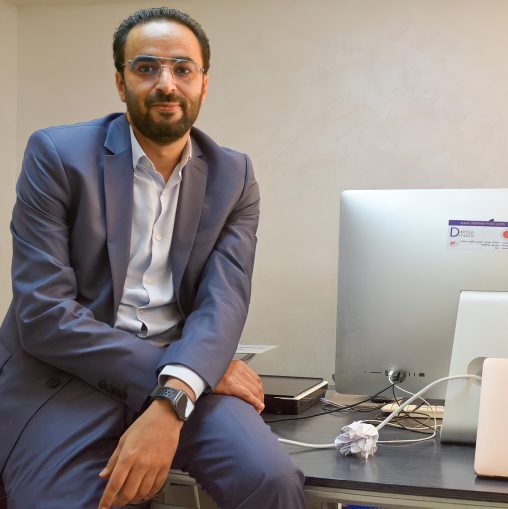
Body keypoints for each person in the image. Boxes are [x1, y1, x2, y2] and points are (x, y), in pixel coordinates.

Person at [0, 7, 305, 509]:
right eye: (146, 68)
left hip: (183, 371)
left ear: (203, 83)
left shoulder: (234, 176)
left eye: (183, 68)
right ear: (121, 83)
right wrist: (190, 374)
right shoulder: (56, 155)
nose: (166, 83)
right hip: (68, 374)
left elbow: (223, 304)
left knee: (271, 480)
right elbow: (43, 315)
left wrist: (175, 394)